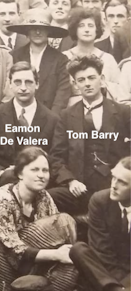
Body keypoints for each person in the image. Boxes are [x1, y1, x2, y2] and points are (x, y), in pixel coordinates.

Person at [0, 147, 79, 291]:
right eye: (35, 170)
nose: (41, 175)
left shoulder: (43, 197)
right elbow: (13, 249)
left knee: (70, 263)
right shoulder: (2, 199)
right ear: (20, 173)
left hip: (26, 263)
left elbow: (57, 239)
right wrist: (56, 255)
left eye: (45, 170)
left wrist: (65, 254)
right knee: (64, 221)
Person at [48, 56, 131, 214]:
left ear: (102, 79)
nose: (87, 83)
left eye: (92, 78)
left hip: (114, 185)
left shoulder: (123, 112)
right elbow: (56, 157)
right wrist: (70, 181)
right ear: (76, 84)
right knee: (49, 197)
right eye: (81, 80)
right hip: (80, 187)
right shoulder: (66, 116)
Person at [0, 62, 66, 195]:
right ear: (10, 84)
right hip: (3, 184)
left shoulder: (52, 119)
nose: (23, 88)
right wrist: (1, 173)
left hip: (38, 186)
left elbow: (55, 159)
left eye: (29, 82)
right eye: (18, 82)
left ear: (37, 84)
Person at [69, 158, 131, 291]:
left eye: (122, 182)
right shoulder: (100, 200)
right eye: (113, 178)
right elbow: (102, 252)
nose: (114, 186)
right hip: (106, 269)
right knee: (78, 250)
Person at [10, 8, 72, 113]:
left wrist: (51, 120)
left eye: (42, 28)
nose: (38, 32)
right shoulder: (14, 56)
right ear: (27, 31)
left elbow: (62, 94)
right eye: (33, 28)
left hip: (49, 116)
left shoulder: (60, 60)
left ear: (48, 31)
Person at [63, 7, 125, 104]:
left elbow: (119, 90)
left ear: (97, 29)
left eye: (91, 26)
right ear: (75, 29)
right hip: (72, 110)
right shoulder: (64, 57)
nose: (87, 30)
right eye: (81, 26)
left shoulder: (108, 59)